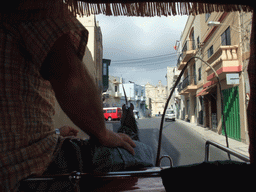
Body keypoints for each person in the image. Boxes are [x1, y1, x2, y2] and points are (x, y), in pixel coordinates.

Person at [0, 1, 136, 191]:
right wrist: (103, 133)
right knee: (137, 152)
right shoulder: (28, 5)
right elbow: (70, 79)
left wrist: (56, 133)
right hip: (27, 166)